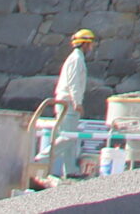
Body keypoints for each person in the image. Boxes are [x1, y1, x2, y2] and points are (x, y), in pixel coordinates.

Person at [44, 27, 95, 179]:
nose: (91, 47)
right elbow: (73, 84)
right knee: (67, 137)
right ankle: (40, 160)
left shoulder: (76, 58)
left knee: (69, 137)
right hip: (68, 102)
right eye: (90, 44)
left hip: (66, 102)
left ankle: (70, 170)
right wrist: (77, 102)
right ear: (85, 44)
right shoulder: (76, 59)